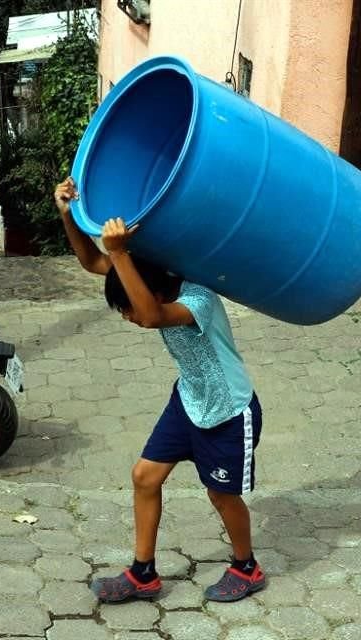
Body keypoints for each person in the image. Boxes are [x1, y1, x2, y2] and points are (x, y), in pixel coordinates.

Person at [53, 176, 266, 603]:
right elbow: (95, 265)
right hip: (188, 399)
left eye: (128, 308)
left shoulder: (198, 298)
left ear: (150, 289)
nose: (130, 318)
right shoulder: (149, 274)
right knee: (145, 477)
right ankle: (143, 574)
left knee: (221, 494)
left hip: (228, 410)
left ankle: (247, 567)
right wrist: (68, 217)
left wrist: (118, 252)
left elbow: (151, 316)